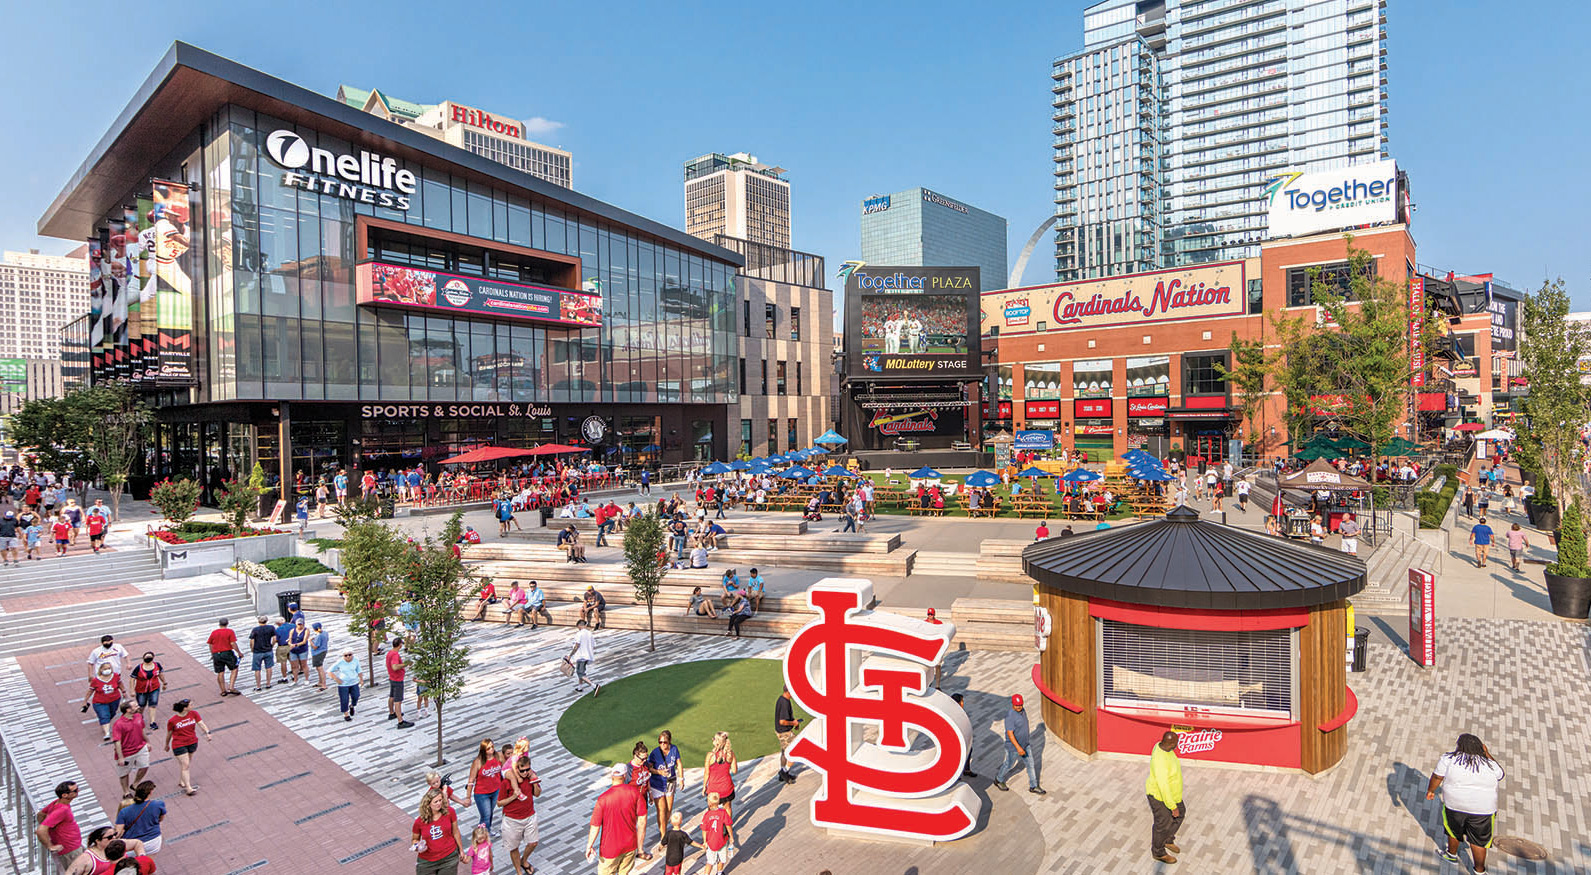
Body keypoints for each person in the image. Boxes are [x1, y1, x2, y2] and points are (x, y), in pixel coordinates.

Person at [1426, 733, 1505, 873]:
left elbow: (1438, 776)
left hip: (1455, 804)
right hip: (1483, 810)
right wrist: (1487, 754)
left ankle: (1451, 855)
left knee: (1453, 830)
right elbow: (1501, 775)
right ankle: (1479, 871)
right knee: (1479, 842)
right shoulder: (1490, 764)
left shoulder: (1448, 759)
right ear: (1481, 748)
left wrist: (1431, 790)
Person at [498, 753, 542, 875]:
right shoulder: (507, 782)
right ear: (517, 769)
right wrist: (514, 796)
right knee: (514, 847)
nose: (526, 772)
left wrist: (534, 783)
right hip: (511, 819)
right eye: (523, 770)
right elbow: (499, 803)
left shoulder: (531, 777)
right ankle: (519, 871)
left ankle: (524, 860)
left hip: (529, 816)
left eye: (528, 769)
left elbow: (537, 794)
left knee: (533, 843)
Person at [1146, 730, 1185, 864]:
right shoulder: (1160, 761)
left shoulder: (1162, 746)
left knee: (1181, 814)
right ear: (1171, 744)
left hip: (1173, 795)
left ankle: (1167, 839)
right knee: (1162, 824)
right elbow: (1163, 786)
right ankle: (1158, 852)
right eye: (1176, 743)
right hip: (1159, 796)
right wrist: (1172, 806)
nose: (1178, 745)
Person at [994, 693, 1043, 794]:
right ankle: (998, 779)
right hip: (1013, 748)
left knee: (1030, 765)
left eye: (1020, 705)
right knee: (1008, 764)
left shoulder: (1023, 711)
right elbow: (1010, 734)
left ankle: (1033, 786)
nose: (1019, 707)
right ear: (1012, 704)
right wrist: (1018, 748)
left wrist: (1024, 745)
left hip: (1025, 745)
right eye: (1016, 705)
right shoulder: (1010, 716)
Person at [412, 787, 464, 875]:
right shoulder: (419, 821)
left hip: (449, 857)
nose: (439, 803)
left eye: (440, 800)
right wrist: (417, 846)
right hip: (427, 860)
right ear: (428, 804)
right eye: (435, 802)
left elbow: (455, 832)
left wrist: (461, 850)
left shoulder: (450, 812)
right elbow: (414, 839)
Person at [163, 699, 209, 796]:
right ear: (185, 708)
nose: (192, 706)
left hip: (192, 742)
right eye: (191, 705)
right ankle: (189, 788)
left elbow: (201, 723)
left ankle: (182, 780)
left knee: (186, 764)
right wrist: (166, 744)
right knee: (186, 764)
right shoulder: (172, 720)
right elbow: (169, 733)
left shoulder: (194, 714)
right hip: (179, 744)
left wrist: (207, 733)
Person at [647, 730, 682, 851]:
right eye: (660, 742)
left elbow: (678, 763)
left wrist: (681, 778)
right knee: (661, 810)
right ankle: (663, 835)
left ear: (669, 742)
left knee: (668, 809)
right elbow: (649, 768)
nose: (662, 745)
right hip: (657, 784)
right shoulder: (655, 753)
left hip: (670, 782)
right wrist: (659, 772)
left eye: (665, 742)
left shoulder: (674, 749)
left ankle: (663, 826)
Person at [37, 781, 83, 870]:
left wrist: (49, 827)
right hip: (70, 850)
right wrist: (50, 846)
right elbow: (41, 830)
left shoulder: (56, 803)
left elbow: (41, 814)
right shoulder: (62, 810)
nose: (78, 791)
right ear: (65, 795)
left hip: (73, 847)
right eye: (75, 790)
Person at [114, 780, 164, 856]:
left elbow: (117, 834)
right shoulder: (158, 804)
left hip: (132, 845)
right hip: (154, 841)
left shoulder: (123, 812)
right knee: (148, 864)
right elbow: (160, 820)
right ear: (150, 793)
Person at [111, 701, 150, 795]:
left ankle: (135, 784)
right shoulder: (118, 724)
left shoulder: (139, 716)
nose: (138, 706)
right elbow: (117, 741)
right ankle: (126, 792)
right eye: (135, 706)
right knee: (124, 774)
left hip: (141, 748)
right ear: (128, 710)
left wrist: (147, 742)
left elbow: (142, 729)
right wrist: (120, 757)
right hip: (126, 753)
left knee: (144, 766)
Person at [82, 662, 125, 743]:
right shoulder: (96, 680)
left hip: (114, 700)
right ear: (101, 670)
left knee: (111, 713)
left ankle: (105, 724)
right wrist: (85, 701)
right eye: (105, 669)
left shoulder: (115, 676)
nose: (107, 670)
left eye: (109, 668)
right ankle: (107, 733)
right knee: (104, 715)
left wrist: (124, 692)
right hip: (100, 702)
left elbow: (120, 684)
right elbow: (90, 691)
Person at [466, 739, 503, 833]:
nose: (491, 749)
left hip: (496, 790)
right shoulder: (478, 762)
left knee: (490, 813)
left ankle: (486, 831)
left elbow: (506, 769)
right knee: (485, 815)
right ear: (484, 750)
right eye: (488, 748)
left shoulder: (499, 756)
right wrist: (468, 797)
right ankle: (484, 835)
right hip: (482, 793)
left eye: (492, 747)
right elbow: (471, 780)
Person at [699, 791, 737, 875]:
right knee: (722, 859)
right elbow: (728, 825)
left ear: (709, 804)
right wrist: (731, 836)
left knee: (710, 862)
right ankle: (719, 872)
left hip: (711, 842)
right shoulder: (723, 813)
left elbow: (704, 829)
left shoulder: (707, 815)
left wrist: (705, 841)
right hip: (722, 841)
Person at [703, 731, 737, 822]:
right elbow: (734, 770)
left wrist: (704, 787)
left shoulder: (710, 756)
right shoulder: (730, 754)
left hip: (713, 789)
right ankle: (728, 827)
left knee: (712, 810)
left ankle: (714, 829)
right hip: (727, 787)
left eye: (714, 739)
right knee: (728, 807)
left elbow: (706, 773)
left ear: (717, 742)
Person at [128, 652, 166, 731]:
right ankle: (139, 718)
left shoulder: (157, 665)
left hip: (154, 688)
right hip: (141, 690)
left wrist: (164, 682)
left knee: (153, 704)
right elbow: (132, 679)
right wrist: (132, 690)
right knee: (141, 705)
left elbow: (160, 674)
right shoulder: (139, 668)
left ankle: (152, 722)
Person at [207, 618, 241, 697]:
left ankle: (223, 690)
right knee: (234, 668)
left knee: (220, 672)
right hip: (227, 653)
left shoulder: (214, 632)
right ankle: (231, 687)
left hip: (216, 654)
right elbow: (233, 643)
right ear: (227, 623)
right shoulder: (230, 632)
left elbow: (210, 644)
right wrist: (239, 652)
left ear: (219, 624)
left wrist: (212, 653)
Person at [661, 811, 702, 875]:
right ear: (681, 822)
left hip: (669, 858)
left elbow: (663, 843)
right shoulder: (683, 834)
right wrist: (700, 846)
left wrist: (660, 847)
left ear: (671, 822)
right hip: (679, 857)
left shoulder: (668, 833)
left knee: (668, 871)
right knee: (677, 871)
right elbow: (691, 842)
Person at [774, 687, 801, 784]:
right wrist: (793, 723)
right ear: (789, 691)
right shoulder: (785, 703)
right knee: (796, 750)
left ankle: (783, 771)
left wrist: (794, 722)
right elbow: (782, 721)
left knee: (784, 752)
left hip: (780, 731)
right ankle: (784, 772)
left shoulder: (782, 699)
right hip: (785, 733)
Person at [567, 619, 600, 695]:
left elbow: (576, 646)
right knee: (581, 671)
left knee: (580, 673)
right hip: (587, 655)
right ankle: (580, 687)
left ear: (579, 625)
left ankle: (594, 686)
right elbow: (593, 644)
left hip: (581, 656)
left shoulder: (579, 634)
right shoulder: (589, 633)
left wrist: (570, 655)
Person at [387, 638, 413, 728]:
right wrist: (406, 664)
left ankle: (391, 713)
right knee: (398, 701)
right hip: (397, 679)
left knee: (392, 696)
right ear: (400, 645)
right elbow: (394, 667)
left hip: (392, 678)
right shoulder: (395, 655)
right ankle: (400, 721)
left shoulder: (389, 653)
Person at [331, 649, 362, 721]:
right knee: (344, 699)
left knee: (356, 696)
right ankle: (346, 714)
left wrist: (361, 679)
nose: (348, 657)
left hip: (354, 682)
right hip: (343, 684)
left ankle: (352, 705)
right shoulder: (340, 662)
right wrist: (336, 679)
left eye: (350, 655)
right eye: (346, 655)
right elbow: (330, 671)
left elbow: (359, 670)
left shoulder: (356, 660)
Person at [248, 615, 277, 691]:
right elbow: (274, 638)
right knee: (269, 667)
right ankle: (268, 684)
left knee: (257, 669)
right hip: (268, 650)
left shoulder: (255, 630)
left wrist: (252, 648)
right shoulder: (271, 628)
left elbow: (252, 641)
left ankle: (258, 686)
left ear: (258, 621)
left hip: (257, 651)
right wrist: (272, 645)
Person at [952, 692, 976, 777]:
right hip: (957, 738)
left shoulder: (958, 711)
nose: (963, 703)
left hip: (962, 737)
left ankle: (966, 769)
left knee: (969, 750)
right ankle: (956, 774)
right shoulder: (955, 713)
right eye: (962, 701)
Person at [287, 618, 311, 684]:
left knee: (304, 665)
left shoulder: (306, 630)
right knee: (294, 666)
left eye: (301, 624)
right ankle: (295, 680)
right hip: (293, 650)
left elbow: (304, 641)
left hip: (302, 649)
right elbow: (290, 639)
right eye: (298, 624)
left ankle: (306, 679)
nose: (300, 626)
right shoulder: (292, 631)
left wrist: (295, 645)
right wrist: (290, 644)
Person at [309, 622, 330, 690]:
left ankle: (324, 684)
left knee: (320, 668)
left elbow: (315, 647)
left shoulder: (319, 636)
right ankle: (320, 682)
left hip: (318, 653)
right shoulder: (325, 633)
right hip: (324, 650)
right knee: (318, 668)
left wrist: (310, 641)